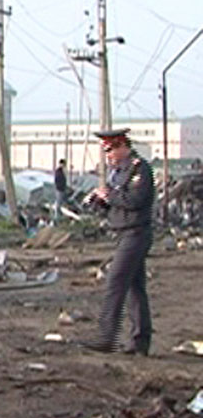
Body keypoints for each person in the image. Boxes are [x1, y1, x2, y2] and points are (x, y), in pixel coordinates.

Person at [81, 128, 155, 356]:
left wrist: (109, 195)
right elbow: (117, 203)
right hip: (124, 233)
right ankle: (140, 341)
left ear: (123, 146)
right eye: (106, 152)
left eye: (111, 150)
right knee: (135, 288)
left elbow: (135, 200)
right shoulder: (118, 172)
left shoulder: (139, 169)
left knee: (115, 281)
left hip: (136, 233)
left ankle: (106, 338)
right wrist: (100, 201)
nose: (109, 156)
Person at [53, 159, 67, 224]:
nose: (64, 166)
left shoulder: (61, 171)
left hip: (61, 189)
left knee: (59, 203)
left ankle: (58, 216)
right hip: (59, 189)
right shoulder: (58, 171)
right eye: (64, 164)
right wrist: (60, 187)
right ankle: (56, 218)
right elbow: (58, 181)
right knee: (58, 204)